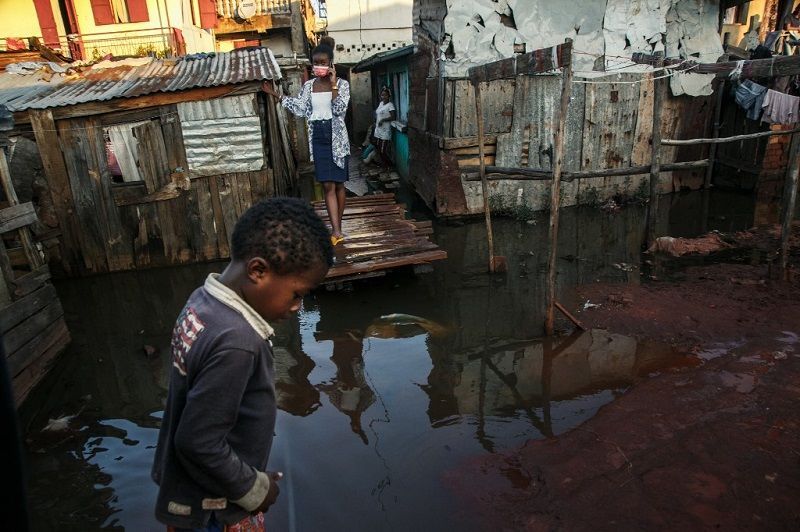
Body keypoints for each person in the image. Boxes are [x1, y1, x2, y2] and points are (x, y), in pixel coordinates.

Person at [151, 198, 333, 531]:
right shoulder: (238, 342)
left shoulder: (201, 303)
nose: (297, 307)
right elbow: (197, 442)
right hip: (214, 509)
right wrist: (255, 489)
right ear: (258, 271)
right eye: (297, 293)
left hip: (185, 491)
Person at [264, 37, 350, 247]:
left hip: (336, 136)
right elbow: (300, 108)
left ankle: (338, 226)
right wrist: (276, 95)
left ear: (331, 63)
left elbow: (339, 110)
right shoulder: (308, 86)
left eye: (323, 62)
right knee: (327, 184)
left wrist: (332, 85)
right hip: (318, 136)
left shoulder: (342, 85)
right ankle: (336, 231)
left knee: (339, 185)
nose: (318, 66)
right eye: (316, 62)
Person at [373, 86, 396, 170]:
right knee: (379, 149)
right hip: (378, 130)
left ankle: (390, 166)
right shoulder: (381, 104)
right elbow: (378, 113)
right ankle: (385, 166)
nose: (383, 97)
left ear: (389, 96)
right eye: (382, 95)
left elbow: (393, 117)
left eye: (385, 95)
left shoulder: (390, 105)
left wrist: (383, 120)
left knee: (383, 150)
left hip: (386, 130)